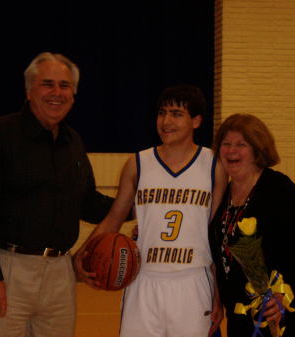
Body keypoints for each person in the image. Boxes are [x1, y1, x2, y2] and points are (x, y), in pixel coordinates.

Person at [0, 52, 113, 337]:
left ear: (74, 94)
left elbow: (87, 203)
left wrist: (138, 202)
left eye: (65, 86)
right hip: (7, 269)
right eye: (48, 84)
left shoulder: (73, 141)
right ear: (29, 90)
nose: (57, 93)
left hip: (59, 273)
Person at [74, 84, 227, 337]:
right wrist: (84, 252)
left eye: (176, 114)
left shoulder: (213, 166)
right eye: (162, 113)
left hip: (194, 280)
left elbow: (217, 237)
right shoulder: (138, 163)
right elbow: (114, 217)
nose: (166, 121)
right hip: (144, 279)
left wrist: (218, 295)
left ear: (197, 121)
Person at [209, 113, 295, 337]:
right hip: (240, 311)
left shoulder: (277, 187)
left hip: (281, 310)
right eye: (226, 144)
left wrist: (282, 290)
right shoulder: (223, 194)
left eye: (241, 144)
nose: (231, 150)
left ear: (257, 150)